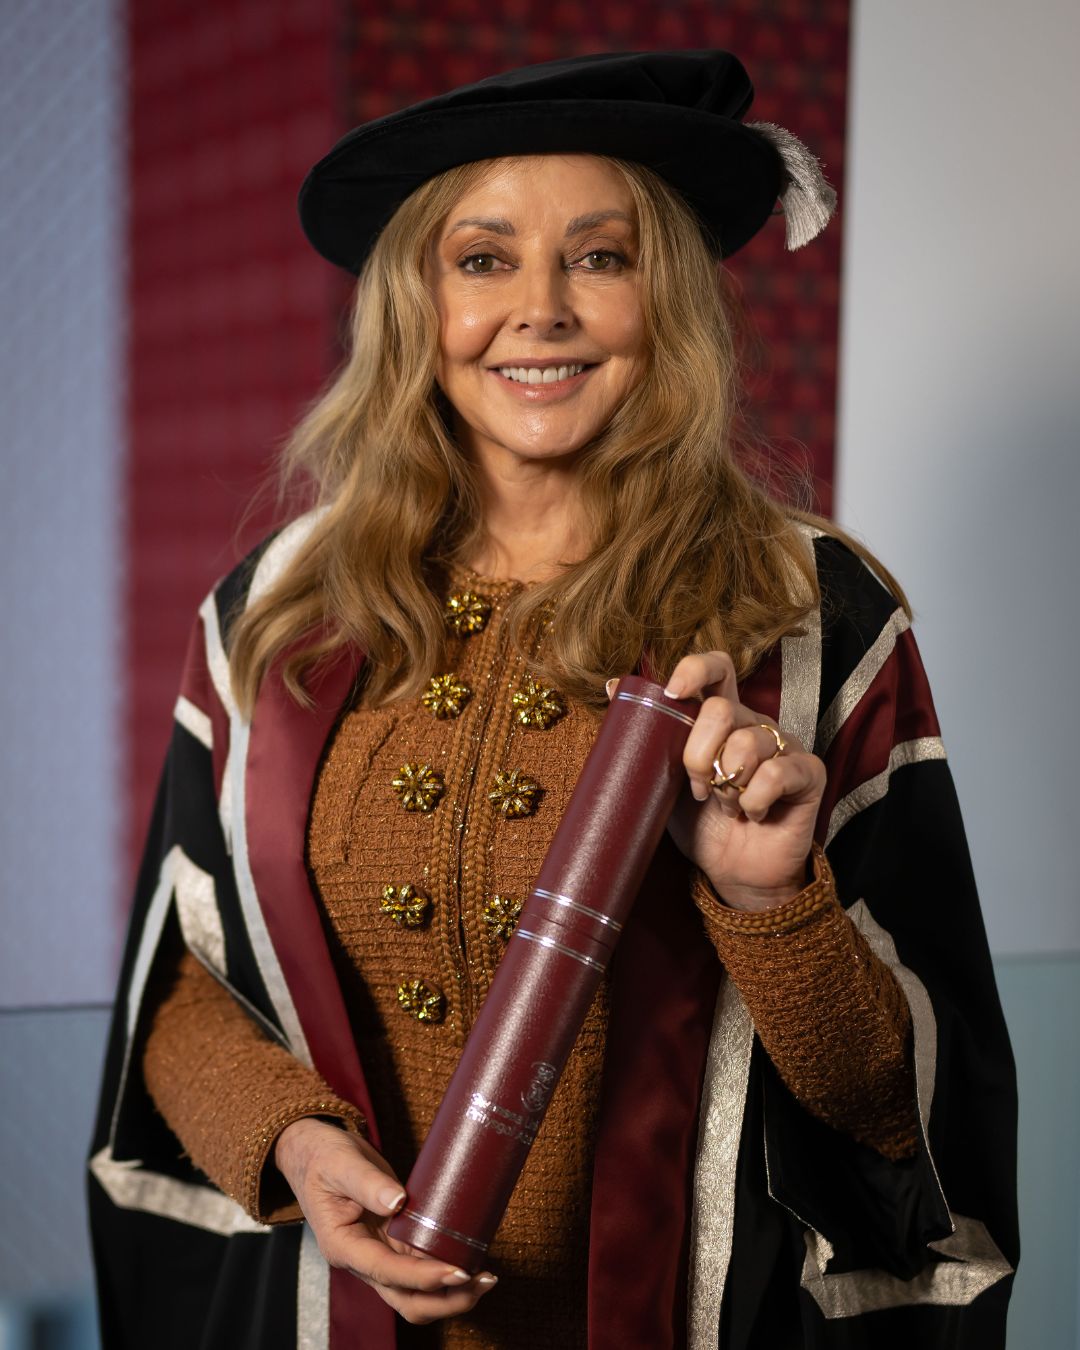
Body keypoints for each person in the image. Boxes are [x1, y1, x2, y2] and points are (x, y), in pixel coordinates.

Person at [88, 50, 1017, 1350]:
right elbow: (185, 984)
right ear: (417, 300)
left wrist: (770, 902)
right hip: (343, 1319)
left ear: (668, 299)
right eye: (482, 259)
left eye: (600, 256)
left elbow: (899, 1110)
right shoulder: (282, 609)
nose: (543, 310)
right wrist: (289, 1138)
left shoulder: (812, 614)